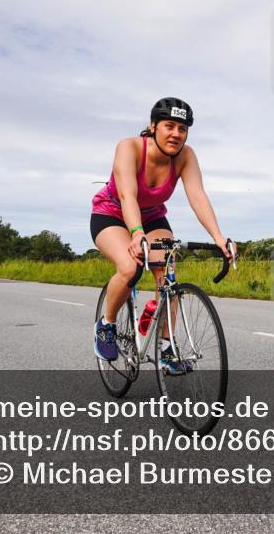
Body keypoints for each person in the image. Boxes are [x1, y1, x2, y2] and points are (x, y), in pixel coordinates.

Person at [90, 97, 231, 374]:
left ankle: (167, 348)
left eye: (182, 128)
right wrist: (135, 232)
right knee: (130, 267)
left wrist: (218, 237)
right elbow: (127, 194)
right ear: (153, 126)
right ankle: (106, 326)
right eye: (169, 126)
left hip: (153, 216)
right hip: (112, 213)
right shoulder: (129, 147)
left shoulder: (185, 156)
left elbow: (198, 196)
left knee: (167, 274)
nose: (176, 134)